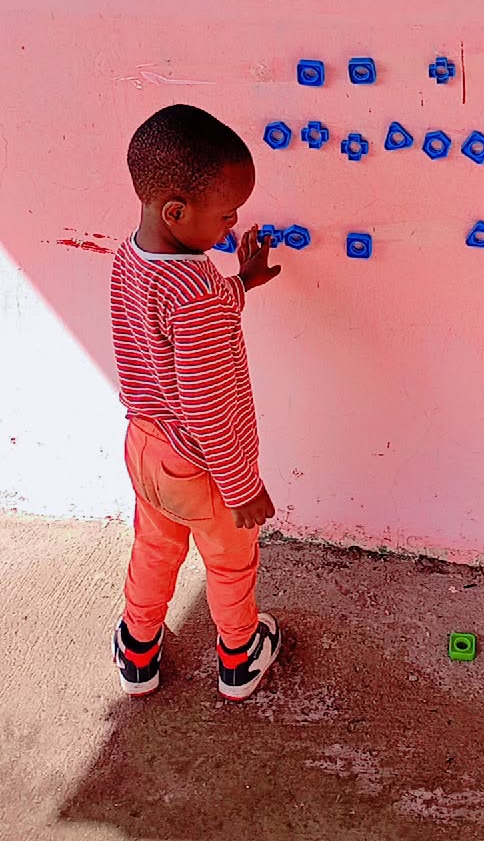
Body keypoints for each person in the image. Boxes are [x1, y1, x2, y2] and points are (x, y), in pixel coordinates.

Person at [110, 104, 281, 700]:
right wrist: (242, 487)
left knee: (154, 548)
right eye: (227, 214)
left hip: (145, 446)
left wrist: (243, 281)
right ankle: (239, 655)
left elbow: (179, 320)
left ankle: (138, 652)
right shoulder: (198, 290)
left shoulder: (131, 256)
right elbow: (207, 404)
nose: (232, 227)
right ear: (176, 211)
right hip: (204, 466)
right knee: (230, 564)